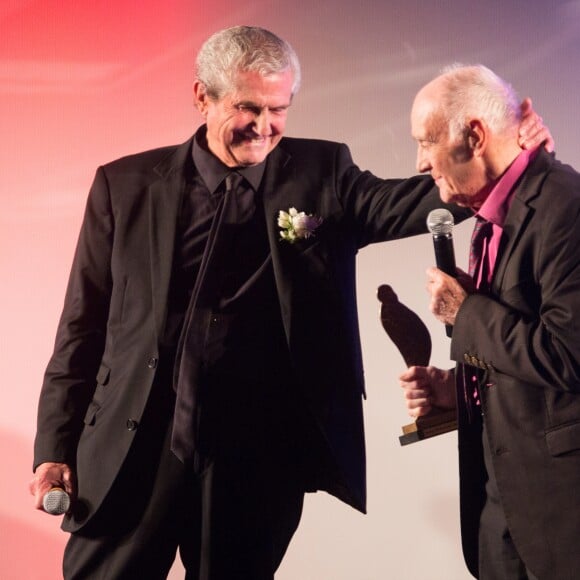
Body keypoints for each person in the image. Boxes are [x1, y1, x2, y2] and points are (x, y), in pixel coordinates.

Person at [29, 26, 550, 579]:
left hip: (253, 465)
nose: (264, 126)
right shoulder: (124, 186)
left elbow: (418, 200)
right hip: (131, 452)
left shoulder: (321, 173)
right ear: (203, 96)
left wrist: (510, 159)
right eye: (247, 107)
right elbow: (80, 329)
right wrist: (53, 449)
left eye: (279, 109)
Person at [400, 64, 580, 580]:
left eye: (425, 142)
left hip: (559, 511)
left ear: (473, 135)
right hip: (500, 505)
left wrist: (467, 312)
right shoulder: (490, 218)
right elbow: (523, 353)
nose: (418, 162)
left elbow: (568, 354)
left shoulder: (564, 207)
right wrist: (459, 390)